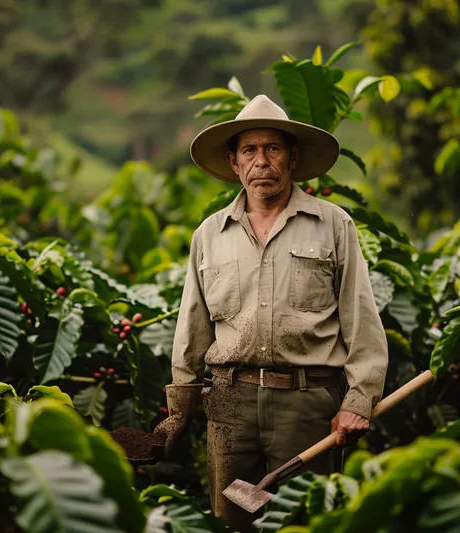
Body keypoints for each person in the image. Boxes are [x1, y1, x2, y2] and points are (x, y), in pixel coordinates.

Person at [154, 94, 389, 532]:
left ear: (292, 157)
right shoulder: (209, 235)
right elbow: (193, 329)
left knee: (304, 523)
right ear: (234, 162)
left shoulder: (334, 225)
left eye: (273, 149)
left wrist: (358, 401)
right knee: (233, 523)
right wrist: (178, 412)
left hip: (307, 406)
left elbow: (362, 322)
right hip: (230, 406)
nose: (262, 161)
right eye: (250, 150)